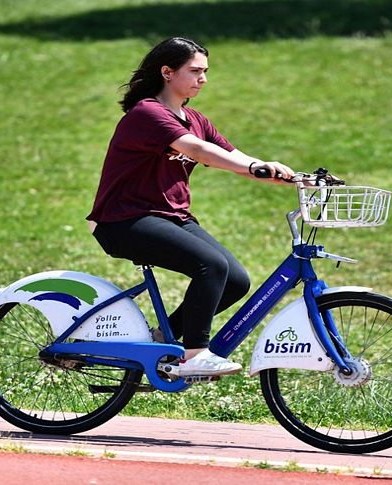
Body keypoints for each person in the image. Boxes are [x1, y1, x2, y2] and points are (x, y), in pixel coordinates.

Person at [87, 37, 295, 377]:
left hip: (172, 216)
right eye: (195, 71)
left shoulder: (196, 118)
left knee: (236, 281)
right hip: (125, 219)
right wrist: (251, 169)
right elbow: (196, 149)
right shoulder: (148, 113)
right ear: (167, 72)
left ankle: (158, 342)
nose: (204, 79)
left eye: (206, 71)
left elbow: (234, 156)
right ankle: (195, 353)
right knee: (210, 265)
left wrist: (286, 174)